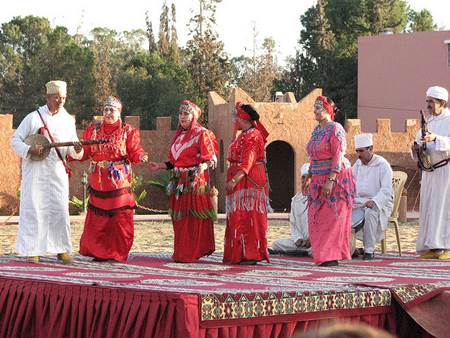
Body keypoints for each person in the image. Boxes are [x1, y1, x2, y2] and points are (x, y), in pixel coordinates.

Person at [11, 80, 83, 264]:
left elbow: (73, 149)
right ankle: (32, 250)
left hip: (57, 170)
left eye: (64, 98)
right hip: (35, 172)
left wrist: (76, 148)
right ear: (48, 97)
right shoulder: (33, 118)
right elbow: (15, 141)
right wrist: (29, 150)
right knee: (34, 209)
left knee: (59, 209)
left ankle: (62, 249)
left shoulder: (68, 120)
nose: (60, 101)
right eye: (57, 97)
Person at [75, 96, 148, 262]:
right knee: (98, 220)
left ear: (119, 112)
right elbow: (84, 153)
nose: (108, 113)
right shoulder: (93, 130)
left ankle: (117, 252)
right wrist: (77, 150)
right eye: (105, 109)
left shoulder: (128, 131)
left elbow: (135, 151)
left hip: (118, 181)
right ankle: (98, 252)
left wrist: (140, 156)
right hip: (98, 182)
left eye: (112, 110)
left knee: (118, 219)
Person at [149, 100, 218, 263]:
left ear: (193, 115)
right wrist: (160, 165)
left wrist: (202, 166)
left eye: (186, 113)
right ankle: (182, 251)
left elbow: (211, 159)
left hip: (194, 182)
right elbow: (175, 162)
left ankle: (192, 251)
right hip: (178, 182)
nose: (182, 117)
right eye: (180, 113)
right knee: (179, 219)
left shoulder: (202, 133)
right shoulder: (179, 136)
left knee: (192, 218)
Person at [303, 96, 355, 267]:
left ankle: (330, 255)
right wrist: (309, 175)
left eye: (318, 108)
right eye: (314, 108)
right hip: (317, 177)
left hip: (336, 178)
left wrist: (331, 180)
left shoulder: (336, 129)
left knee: (332, 217)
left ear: (328, 110)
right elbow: (313, 155)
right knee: (316, 216)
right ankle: (322, 254)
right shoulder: (316, 130)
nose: (315, 111)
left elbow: (338, 155)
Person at [223, 102, 270, 265]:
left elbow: (248, 160)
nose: (235, 120)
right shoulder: (243, 134)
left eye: (237, 117)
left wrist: (235, 179)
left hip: (248, 180)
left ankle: (251, 254)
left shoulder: (253, 135)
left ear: (244, 118)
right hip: (241, 178)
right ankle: (239, 252)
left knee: (249, 216)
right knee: (238, 216)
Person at [411, 86, 450, 260]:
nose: (428, 105)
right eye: (427, 101)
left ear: (442, 103)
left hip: (444, 171)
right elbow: (418, 141)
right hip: (429, 171)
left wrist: (435, 138)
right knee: (429, 208)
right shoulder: (429, 121)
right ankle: (431, 246)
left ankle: (445, 246)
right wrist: (415, 148)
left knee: (443, 208)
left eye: (431, 102)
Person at [352, 133, 393, 260]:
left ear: (371, 149)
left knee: (370, 212)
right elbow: (351, 185)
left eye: (361, 151)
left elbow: (386, 191)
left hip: (380, 202)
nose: (359, 154)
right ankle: (348, 247)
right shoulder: (357, 165)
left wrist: (374, 201)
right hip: (359, 201)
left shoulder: (382, 165)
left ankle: (369, 250)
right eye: (357, 151)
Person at [270, 163, 311, 256]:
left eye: (308, 178)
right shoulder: (296, 200)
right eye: (303, 178)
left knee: (319, 248)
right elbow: (293, 224)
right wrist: (298, 239)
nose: (305, 181)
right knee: (276, 244)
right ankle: (302, 251)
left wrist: (311, 240)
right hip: (301, 242)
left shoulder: (318, 199)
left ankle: (302, 252)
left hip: (315, 241)